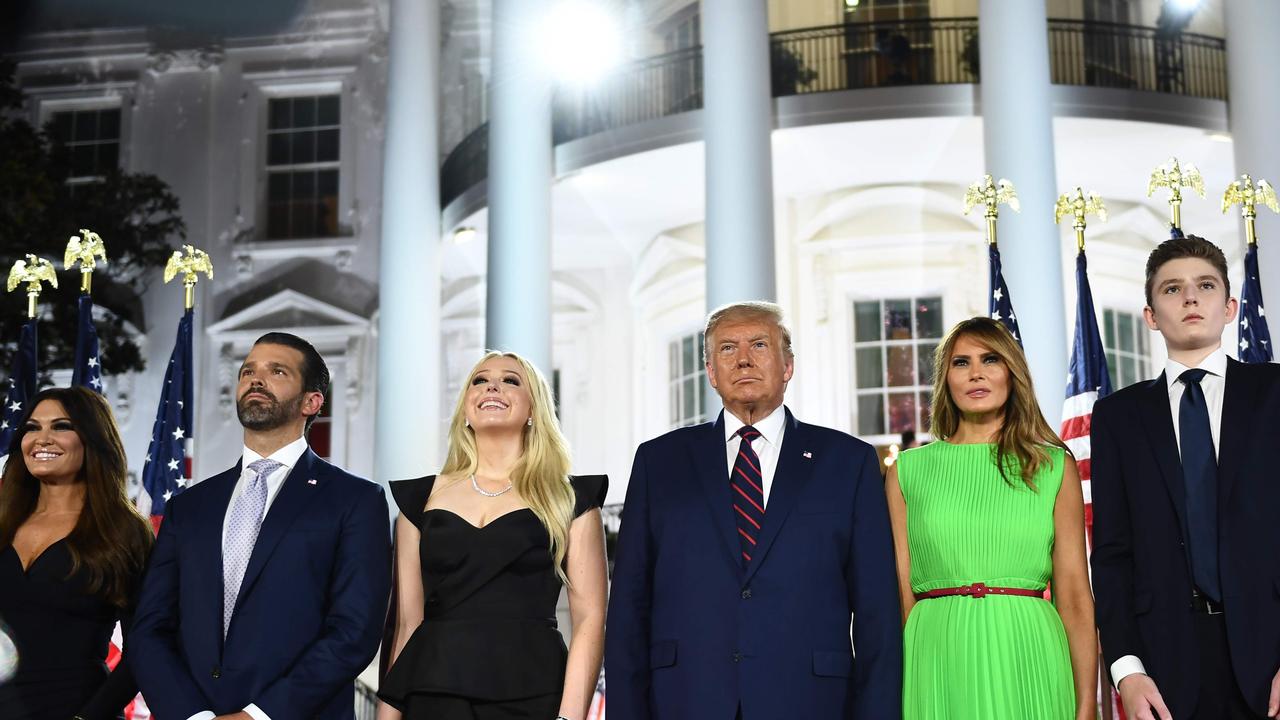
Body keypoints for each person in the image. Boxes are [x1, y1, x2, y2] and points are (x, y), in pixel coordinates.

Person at [605, 301, 901, 719]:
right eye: (727, 348)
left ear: (788, 365)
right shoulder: (659, 463)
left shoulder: (848, 462)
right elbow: (629, 608)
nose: (743, 358)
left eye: (759, 344)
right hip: (685, 700)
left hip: (811, 703)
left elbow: (877, 615)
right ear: (710, 371)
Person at [130, 332, 391, 720]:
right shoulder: (190, 506)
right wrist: (193, 715)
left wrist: (259, 715)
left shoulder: (356, 500)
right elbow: (150, 625)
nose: (255, 378)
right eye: (247, 371)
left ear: (312, 401)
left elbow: (353, 632)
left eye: (277, 371)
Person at [1091, 235, 1280, 720]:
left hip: (1270, 651)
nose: (1191, 297)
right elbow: (1112, 554)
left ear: (1230, 306)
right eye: (1172, 289)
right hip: (1164, 665)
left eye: (1205, 285)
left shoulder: (1275, 394)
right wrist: (1126, 670)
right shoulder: (1117, 416)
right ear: (1151, 315)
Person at [377, 350, 607, 720]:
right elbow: (407, 624)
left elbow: (590, 620)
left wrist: (569, 718)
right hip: (431, 690)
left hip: (532, 691)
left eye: (511, 380)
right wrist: (386, 717)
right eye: (479, 380)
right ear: (466, 407)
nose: (492, 386)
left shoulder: (572, 498)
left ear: (534, 409)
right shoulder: (417, 499)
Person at [886, 317, 1096, 719]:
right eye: (961, 363)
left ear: (1012, 373)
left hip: (1028, 651)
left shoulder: (1053, 466)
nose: (976, 373)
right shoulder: (906, 472)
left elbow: (1073, 596)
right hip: (936, 655)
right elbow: (902, 595)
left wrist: (1086, 704)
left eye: (991, 359)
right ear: (946, 378)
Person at [0, 387, 153, 720]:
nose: (42, 438)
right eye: (32, 427)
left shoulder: (124, 532)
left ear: (93, 439)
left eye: (61, 426)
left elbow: (144, 650)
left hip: (78, 709)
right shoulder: (2, 523)